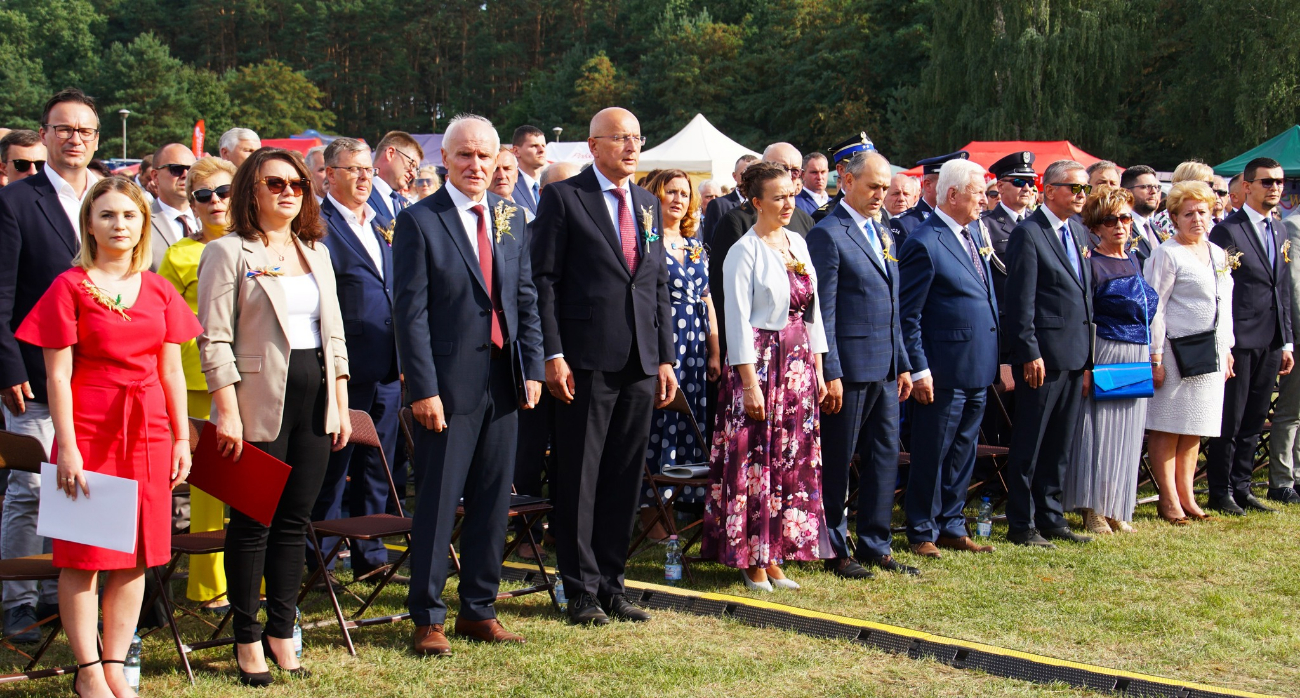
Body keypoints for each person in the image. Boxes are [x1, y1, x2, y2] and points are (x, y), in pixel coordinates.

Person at [19, 175, 200, 697]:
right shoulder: (69, 286)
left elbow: (171, 372)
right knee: (85, 556)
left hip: (149, 433)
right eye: (108, 216)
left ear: (143, 224)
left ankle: (117, 662)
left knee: (136, 555)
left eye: (129, 215)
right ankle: (88, 670)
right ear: (90, 225)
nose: (119, 224)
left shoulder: (161, 288)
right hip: (89, 430)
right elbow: (56, 376)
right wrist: (68, 446)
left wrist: (182, 440)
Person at [197, 147, 350, 684]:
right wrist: (227, 409)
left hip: (315, 398)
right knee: (252, 523)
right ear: (251, 191)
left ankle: (282, 633)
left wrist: (340, 396)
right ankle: (246, 640)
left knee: (293, 523)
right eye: (275, 183)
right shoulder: (227, 252)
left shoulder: (316, 251)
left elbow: (333, 333)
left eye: (298, 184)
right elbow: (213, 339)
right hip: (258, 400)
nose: (289, 191)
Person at [394, 114, 544, 654]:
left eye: (484, 156)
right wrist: (423, 390)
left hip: (504, 380)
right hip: (447, 387)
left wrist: (532, 367)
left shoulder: (512, 215)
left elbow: (524, 297)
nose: (475, 165)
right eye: (464, 155)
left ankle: (478, 609)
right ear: (446, 160)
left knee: (491, 500)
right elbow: (409, 313)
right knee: (436, 503)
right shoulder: (419, 221)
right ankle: (428, 616)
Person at [531, 107, 677, 625]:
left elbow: (655, 281)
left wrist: (664, 357)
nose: (632, 148)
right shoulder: (564, 199)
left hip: (639, 359)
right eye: (620, 139)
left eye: (638, 138)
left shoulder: (645, 203)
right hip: (585, 360)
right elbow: (542, 281)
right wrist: (553, 353)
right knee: (580, 477)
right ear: (593, 146)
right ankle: (581, 590)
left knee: (623, 477)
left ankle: (614, 584)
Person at [0, 88, 101, 643]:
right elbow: (2, 293)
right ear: (44, 135)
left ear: (96, 139)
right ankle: (18, 601)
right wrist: (7, 365)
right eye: (63, 129)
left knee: (83, 483)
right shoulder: (16, 202)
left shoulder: (112, 196)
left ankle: (65, 595)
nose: (74, 139)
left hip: (98, 373)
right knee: (31, 486)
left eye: (84, 130)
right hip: (32, 374)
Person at [702, 161, 828, 591]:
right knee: (756, 459)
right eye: (778, 197)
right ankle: (751, 557)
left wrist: (820, 370)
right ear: (756, 202)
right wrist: (750, 384)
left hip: (797, 365)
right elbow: (735, 319)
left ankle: (776, 554)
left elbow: (814, 311)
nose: (788, 203)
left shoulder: (797, 243)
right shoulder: (744, 250)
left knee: (789, 459)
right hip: (759, 362)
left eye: (791, 194)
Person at [808, 151, 914, 578]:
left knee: (884, 457)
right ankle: (834, 546)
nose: (880, 195)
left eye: (884, 187)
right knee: (838, 460)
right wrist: (830, 370)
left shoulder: (883, 232)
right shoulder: (829, 234)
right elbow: (824, 312)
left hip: (885, 367)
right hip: (849, 369)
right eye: (872, 186)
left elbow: (893, 305)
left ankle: (875, 542)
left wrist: (903, 363)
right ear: (845, 180)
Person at [311, 137, 403, 582]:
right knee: (334, 466)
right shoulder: (316, 223)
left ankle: (371, 554)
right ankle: (321, 557)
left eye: (368, 169)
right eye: (353, 169)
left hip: (388, 364)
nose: (364, 177)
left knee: (377, 466)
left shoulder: (384, 220)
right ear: (329, 174)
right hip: (343, 367)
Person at [898, 158, 999, 559]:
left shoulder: (971, 235)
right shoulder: (924, 241)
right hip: (942, 369)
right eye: (979, 192)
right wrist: (919, 368)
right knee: (932, 450)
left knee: (964, 449)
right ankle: (921, 527)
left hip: (977, 364)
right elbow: (909, 315)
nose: (985, 201)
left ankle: (952, 523)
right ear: (952, 194)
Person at [157, 156, 237, 610]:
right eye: (203, 196)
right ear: (192, 204)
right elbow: (163, 325)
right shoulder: (178, 255)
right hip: (196, 382)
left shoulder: (259, 245)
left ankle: (258, 580)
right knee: (207, 491)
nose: (215, 203)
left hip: (251, 380)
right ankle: (210, 588)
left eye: (223, 192)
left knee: (251, 485)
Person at [1004, 159, 1095, 548]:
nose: (1081, 196)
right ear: (1050, 189)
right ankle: (1022, 524)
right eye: (1074, 188)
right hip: (1043, 357)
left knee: (1060, 444)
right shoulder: (1029, 232)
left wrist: (1088, 358)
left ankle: (1051, 516)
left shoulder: (1076, 231)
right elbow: (1020, 299)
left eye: (1085, 189)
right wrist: (1028, 351)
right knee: (1031, 443)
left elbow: (1083, 295)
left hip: (1075, 354)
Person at [1064, 186, 1158, 534]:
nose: (1120, 225)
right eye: (1110, 220)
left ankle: (1117, 505)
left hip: (1136, 353)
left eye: (1125, 218)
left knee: (1128, 433)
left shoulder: (1134, 258)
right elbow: (1083, 318)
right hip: (1105, 350)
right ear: (1096, 226)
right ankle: (1092, 509)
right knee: (1098, 433)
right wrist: (1087, 367)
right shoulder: (1092, 264)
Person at [1206, 157, 1294, 515]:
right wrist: (1225, 341)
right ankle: (1220, 489)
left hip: (1272, 337)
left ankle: (1242, 487)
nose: (1275, 188)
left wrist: (1286, 341)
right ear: (1247, 187)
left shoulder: (1281, 229)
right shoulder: (1228, 230)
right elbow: (1222, 289)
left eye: (1279, 182)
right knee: (1232, 417)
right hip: (1239, 337)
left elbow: (1283, 288)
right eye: (1267, 182)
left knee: (1256, 416)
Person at [1144, 181, 1235, 524]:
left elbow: (1224, 304)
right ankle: (1168, 500)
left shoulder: (1217, 252)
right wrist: (1155, 355)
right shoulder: (1166, 254)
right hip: (1174, 352)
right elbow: (1155, 308)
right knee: (1168, 426)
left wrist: (1226, 347)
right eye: (1188, 213)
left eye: (1203, 212)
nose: (1197, 219)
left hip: (1209, 353)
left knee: (1195, 426)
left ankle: (1187, 497)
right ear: (1174, 218)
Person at [511, 157, 583, 562]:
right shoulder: (528, 232)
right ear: (544, 194)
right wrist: (543, 358)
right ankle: (524, 529)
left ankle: (561, 526)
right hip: (537, 360)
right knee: (530, 450)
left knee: (569, 451)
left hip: (581, 362)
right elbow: (531, 301)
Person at [638, 169, 719, 521]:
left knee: (691, 422)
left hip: (696, 347)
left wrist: (715, 349)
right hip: (662, 341)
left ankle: (681, 505)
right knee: (661, 422)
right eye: (670, 192)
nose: (678, 200)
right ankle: (651, 509)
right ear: (654, 195)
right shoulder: (645, 240)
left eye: (684, 194)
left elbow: (707, 297)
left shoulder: (696, 244)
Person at [709, 144, 818, 364]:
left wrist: (820, 366)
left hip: (800, 354)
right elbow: (727, 300)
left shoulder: (804, 224)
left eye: (794, 170)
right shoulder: (737, 224)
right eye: (779, 167)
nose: (787, 175)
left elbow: (815, 306)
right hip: (760, 354)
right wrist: (723, 353)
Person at [1269, 212, 1300, 504]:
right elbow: (1294, 286)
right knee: (1291, 412)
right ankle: (1281, 480)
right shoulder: (1294, 225)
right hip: (1298, 333)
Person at [982, 151, 1036, 316]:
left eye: (1030, 181)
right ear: (1000, 187)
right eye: (1019, 182)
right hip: (1005, 314)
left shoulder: (1039, 222)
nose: (1027, 188)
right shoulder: (984, 225)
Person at [889, 151, 970, 243]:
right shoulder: (904, 224)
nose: (958, 189)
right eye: (951, 183)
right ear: (928, 185)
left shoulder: (967, 221)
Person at [148, 143, 198, 272]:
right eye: (176, 169)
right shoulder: (141, 221)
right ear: (155, 176)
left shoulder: (212, 217)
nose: (185, 175)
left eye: (192, 169)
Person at [811, 133, 876, 224]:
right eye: (860, 166)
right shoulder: (825, 215)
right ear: (841, 170)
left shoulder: (880, 212)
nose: (869, 171)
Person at [369, 131, 424, 229]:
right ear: (390, 153)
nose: (414, 174)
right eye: (412, 164)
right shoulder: (358, 196)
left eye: (417, 170)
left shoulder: (406, 205)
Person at [1149, 161, 1215, 242]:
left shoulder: (1207, 217)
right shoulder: (1165, 219)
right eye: (1205, 184)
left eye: (1210, 184)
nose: (1210, 189)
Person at [700, 153, 757, 244]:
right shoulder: (719, 205)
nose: (748, 178)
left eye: (754, 174)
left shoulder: (765, 205)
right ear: (734, 176)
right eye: (744, 174)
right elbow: (710, 244)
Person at [1121, 165, 1162, 261]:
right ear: (1127, 192)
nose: (1153, 192)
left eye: (1156, 187)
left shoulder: (1156, 229)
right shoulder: (1120, 227)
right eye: (1146, 187)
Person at [511, 124, 547, 215]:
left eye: (543, 145)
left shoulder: (551, 183)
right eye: (534, 146)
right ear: (516, 151)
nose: (541, 150)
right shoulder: (508, 186)